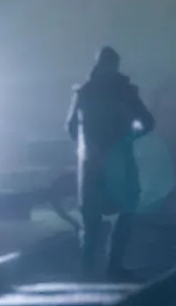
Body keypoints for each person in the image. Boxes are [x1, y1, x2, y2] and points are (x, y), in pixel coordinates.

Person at [66, 46, 155, 278]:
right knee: (126, 209)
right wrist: (129, 137)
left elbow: (71, 127)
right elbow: (148, 123)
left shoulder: (84, 92)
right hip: (119, 160)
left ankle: (87, 269)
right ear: (115, 65)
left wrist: (85, 147)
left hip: (91, 162)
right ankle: (113, 266)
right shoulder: (124, 91)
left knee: (91, 217)